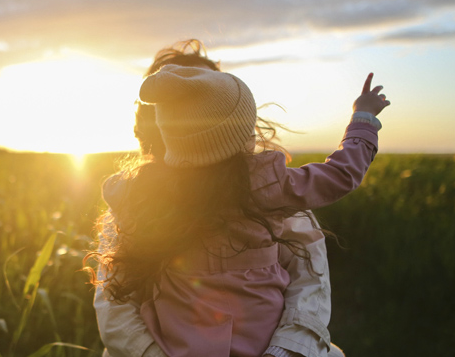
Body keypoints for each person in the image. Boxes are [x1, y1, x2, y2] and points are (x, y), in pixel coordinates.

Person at [89, 40, 389, 357]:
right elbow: (116, 309)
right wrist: (363, 120)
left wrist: (280, 353)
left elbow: (308, 288)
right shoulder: (269, 186)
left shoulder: (137, 191)